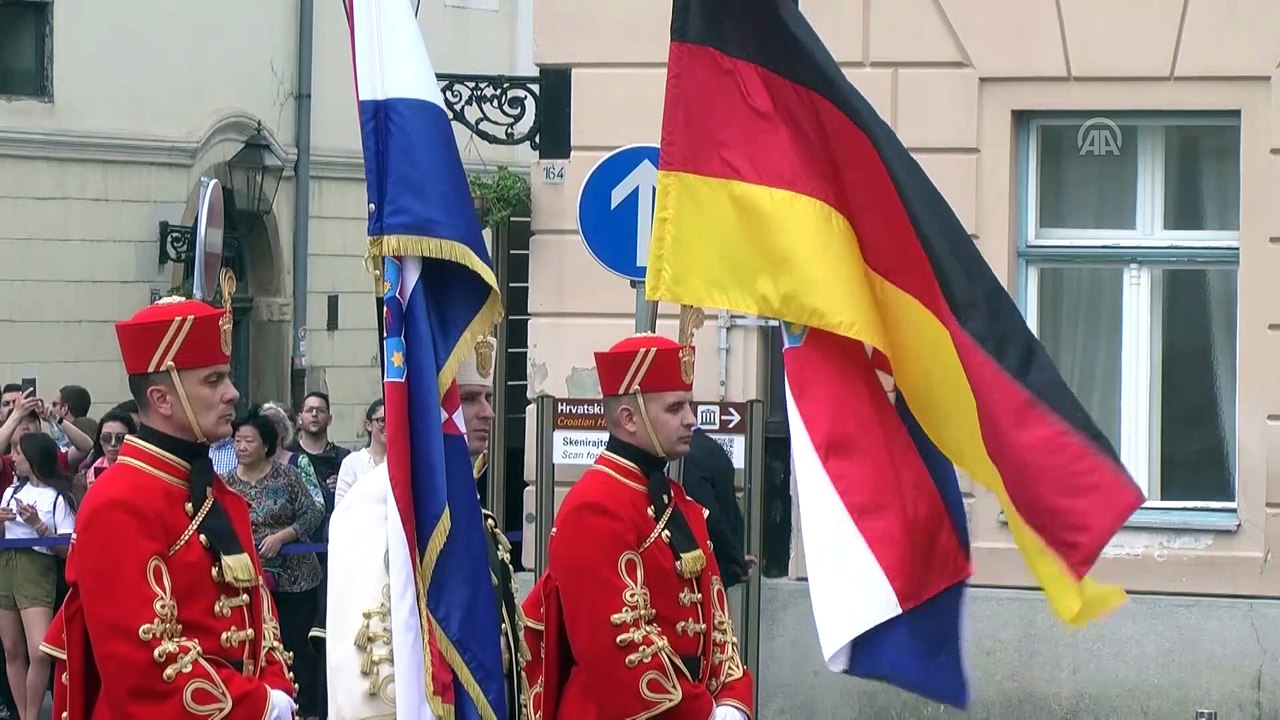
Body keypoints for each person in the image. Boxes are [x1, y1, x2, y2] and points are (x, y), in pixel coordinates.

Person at [40, 282, 299, 719]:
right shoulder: (117, 501)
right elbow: (143, 665)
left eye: (228, 376)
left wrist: (275, 692)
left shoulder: (221, 495)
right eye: (214, 380)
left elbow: (261, 621)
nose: (233, 393)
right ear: (161, 399)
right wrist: (257, 706)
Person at [521, 327, 755, 720]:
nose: (691, 420)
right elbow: (616, 647)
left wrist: (732, 700)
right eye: (675, 408)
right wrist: (704, 713)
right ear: (629, 418)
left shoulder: (679, 501)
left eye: (690, 405)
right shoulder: (593, 506)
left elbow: (718, 624)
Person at [316, 335, 531, 719]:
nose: (488, 413)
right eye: (467, 399)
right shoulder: (374, 504)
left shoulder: (472, 510)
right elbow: (371, 659)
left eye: (488, 397)